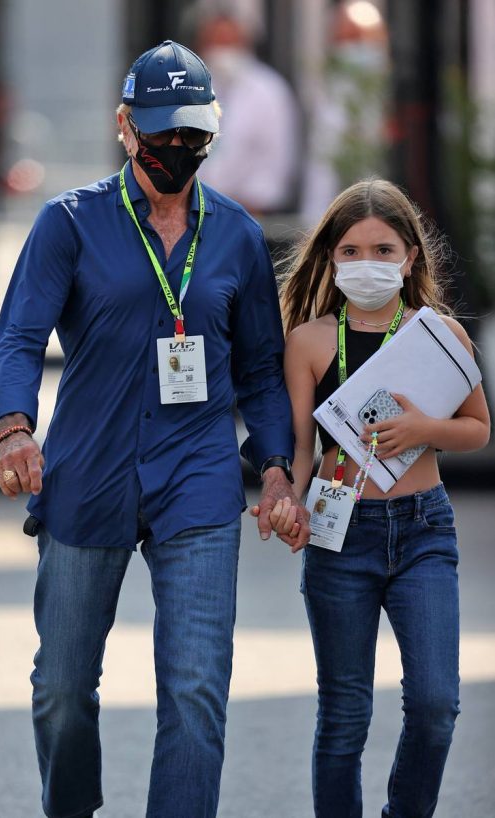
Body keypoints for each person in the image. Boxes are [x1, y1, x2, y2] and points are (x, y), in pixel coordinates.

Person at [0, 39, 309, 818]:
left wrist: (274, 468)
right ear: (124, 125)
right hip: (87, 471)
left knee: (196, 689)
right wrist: (14, 428)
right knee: (61, 690)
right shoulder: (69, 223)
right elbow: (18, 336)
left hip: (195, 477)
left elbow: (262, 371)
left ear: (212, 131)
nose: (176, 150)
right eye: (160, 132)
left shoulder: (232, 235)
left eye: (191, 135)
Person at [270, 179, 490, 817]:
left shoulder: (442, 334)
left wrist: (425, 430)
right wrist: (291, 503)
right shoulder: (310, 341)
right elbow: (302, 446)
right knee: (343, 712)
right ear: (331, 260)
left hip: (424, 530)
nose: (368, 264)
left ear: (411, 256)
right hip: (342, 536)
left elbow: (478, 429)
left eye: (383, 249)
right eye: (351, 252)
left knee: (435, 704)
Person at [194, 5, 300, 215]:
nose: (223, 50)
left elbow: (278, 160)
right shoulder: (188, 89)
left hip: (251, 213)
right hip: (194, 211)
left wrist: (247, 206)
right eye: (216, 42)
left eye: (229, 42)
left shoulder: (270, 91)